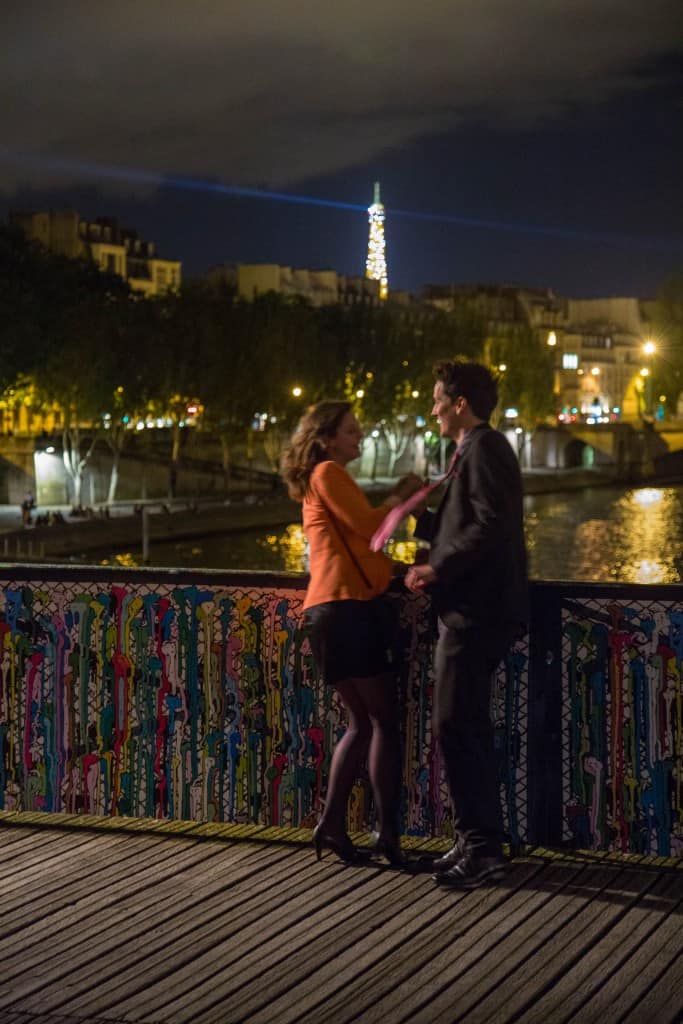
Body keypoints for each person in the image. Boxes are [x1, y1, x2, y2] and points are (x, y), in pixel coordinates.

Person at [281, 400, 422, 865]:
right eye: (351, 432)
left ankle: (334, 824)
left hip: (328, 613)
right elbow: (370, 528)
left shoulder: (317, 480)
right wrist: (404, 494)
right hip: (347, 612)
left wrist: (398, 568)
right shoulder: (329, 474)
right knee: (382, 720)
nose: (359, 439)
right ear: (325, 438)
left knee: (361, 722)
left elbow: (359, 547)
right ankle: (386, 835)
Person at [404, 361, 528, 887]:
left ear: (459, 404)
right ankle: (476, 841)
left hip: (476, 612)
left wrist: (437, 566)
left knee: (454, 725)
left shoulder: (486, 447)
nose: (431, 408)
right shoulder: (474, 450)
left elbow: (491, 527)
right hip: (472, 609)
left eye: (437, 399)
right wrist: (420, 521)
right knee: (464, 726)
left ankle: (482, 849)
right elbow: (473, 522)